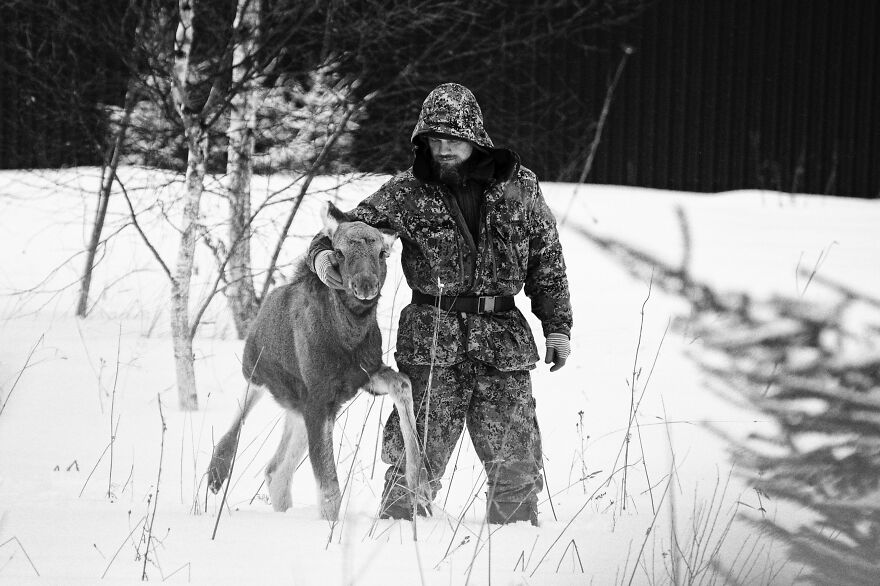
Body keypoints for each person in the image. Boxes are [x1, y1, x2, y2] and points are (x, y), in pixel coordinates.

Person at [308, 82, 572, 525]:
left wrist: (558, 326)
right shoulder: (406, 192)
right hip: (432, 341)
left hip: (502, 345)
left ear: (475, 137)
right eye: (433, 140)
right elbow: (345, 230)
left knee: (518, 466)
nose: (442, 149)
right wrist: (320, 257)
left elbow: (547, 258)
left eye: (452, 139)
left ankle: (515, 552)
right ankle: (397, 555)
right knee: (412, 465)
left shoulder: (519, 186)